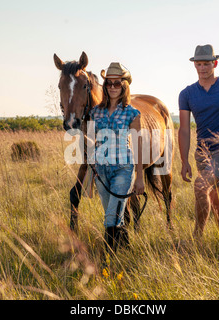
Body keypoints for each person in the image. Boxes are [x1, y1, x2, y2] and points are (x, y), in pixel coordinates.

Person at [178, 44, 219, 248]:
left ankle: (195, 239)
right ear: (194, 65)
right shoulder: (187, 93)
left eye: (206, 63)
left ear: (214, 63)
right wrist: (184, 161)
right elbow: (183, 130)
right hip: (202, 154)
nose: (202, 67)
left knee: (201, 186)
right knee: (218, 203)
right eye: (198, 64)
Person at [89, 62, 145, 254]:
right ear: (105, 87)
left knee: (111, 216)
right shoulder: (95, 112)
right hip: (101, 170)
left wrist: (140, 177)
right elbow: (89, 142)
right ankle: (125, 248)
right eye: (109, 83)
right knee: (112, 214)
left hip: (123, 168)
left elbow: (138, 146)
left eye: (117, 83)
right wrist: (89, 178)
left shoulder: (132, 113)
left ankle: (108, 258)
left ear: (124, 86)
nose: (113, 87)